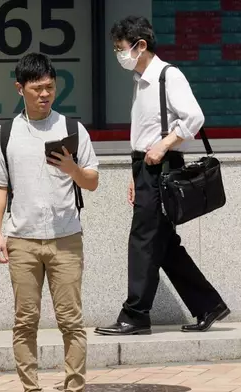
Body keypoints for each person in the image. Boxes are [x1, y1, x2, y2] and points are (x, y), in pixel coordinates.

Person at [94, 16, 229, 336]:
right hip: (147, 167)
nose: (119, 56)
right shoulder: (141, 81)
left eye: (121, 48)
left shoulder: (168, 76)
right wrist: (135, 172)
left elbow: (194, 117)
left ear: (140, 45)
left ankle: (135, 315)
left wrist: (164, 145)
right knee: (163, 243)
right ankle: (209, 305)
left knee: (143, 239)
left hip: (163, 166)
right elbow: (143, 133)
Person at [0, 53, 99, 392]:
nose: (45, 94)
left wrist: (72, 169)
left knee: (71, 321)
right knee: (25, 321)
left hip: (66, 237)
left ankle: (74, 386)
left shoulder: (72, 129)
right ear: (20, 89)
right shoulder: (6, 133)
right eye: (37, 89)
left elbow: (92, 181)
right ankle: (30, 387)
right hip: (22, 239)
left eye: (50, 87)